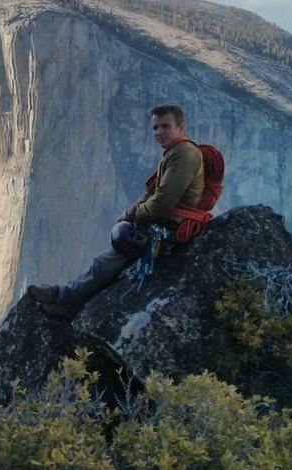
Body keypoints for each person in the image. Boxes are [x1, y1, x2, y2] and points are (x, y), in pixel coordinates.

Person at [28, 103, 205, 321]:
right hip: (162, 221)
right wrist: (129, 214)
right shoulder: (175, 152)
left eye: (165, 126)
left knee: (109, 260)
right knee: (115, 255)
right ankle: (71, 307)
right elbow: (152, 193)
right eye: (155, 128)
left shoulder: (184, 154)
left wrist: (132, 216)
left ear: (181, 127)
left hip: (169, 228)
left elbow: (162, 202)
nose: (159, 133)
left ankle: (62, 296)